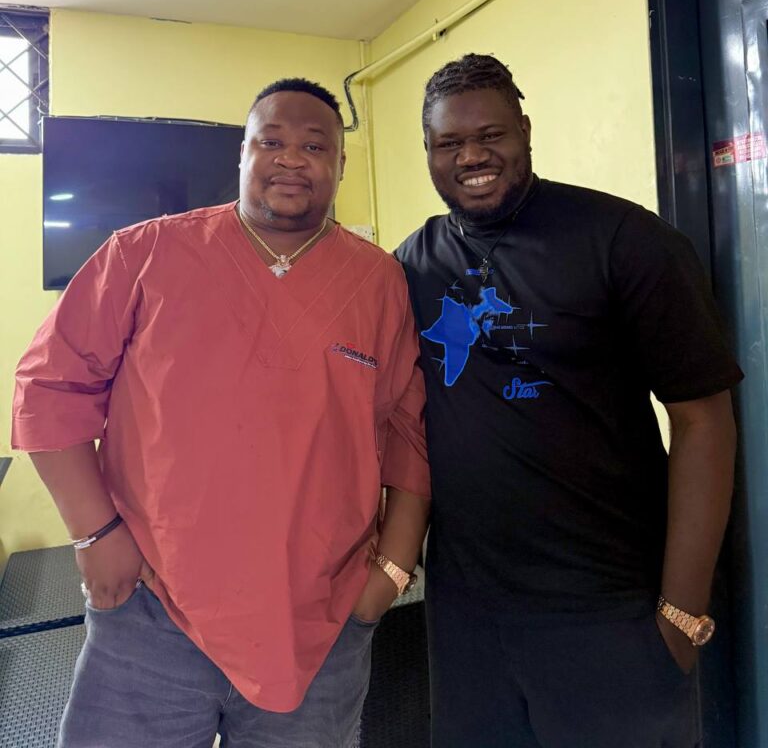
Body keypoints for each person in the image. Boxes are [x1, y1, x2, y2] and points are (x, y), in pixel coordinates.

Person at [13, 78, 431, 748]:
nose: (291, 158)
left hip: (320, 623)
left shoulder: (378, 282)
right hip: (154, 608)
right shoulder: (143, 254)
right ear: (242, 154)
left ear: (341, 163)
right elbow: (49, 387)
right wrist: (95, 535)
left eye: (314, 146)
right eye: (271, 141)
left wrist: (392, 571)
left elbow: (408, 433)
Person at [395, 53, 741, 748]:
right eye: (449, 142)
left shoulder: (625, 240)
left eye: (490, 135)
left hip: (608, 612)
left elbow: (703, 418)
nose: (471, 156)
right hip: (468, 623)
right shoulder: (413, 262)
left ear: (525, 131)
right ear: (428, 151)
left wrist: (683, 609)